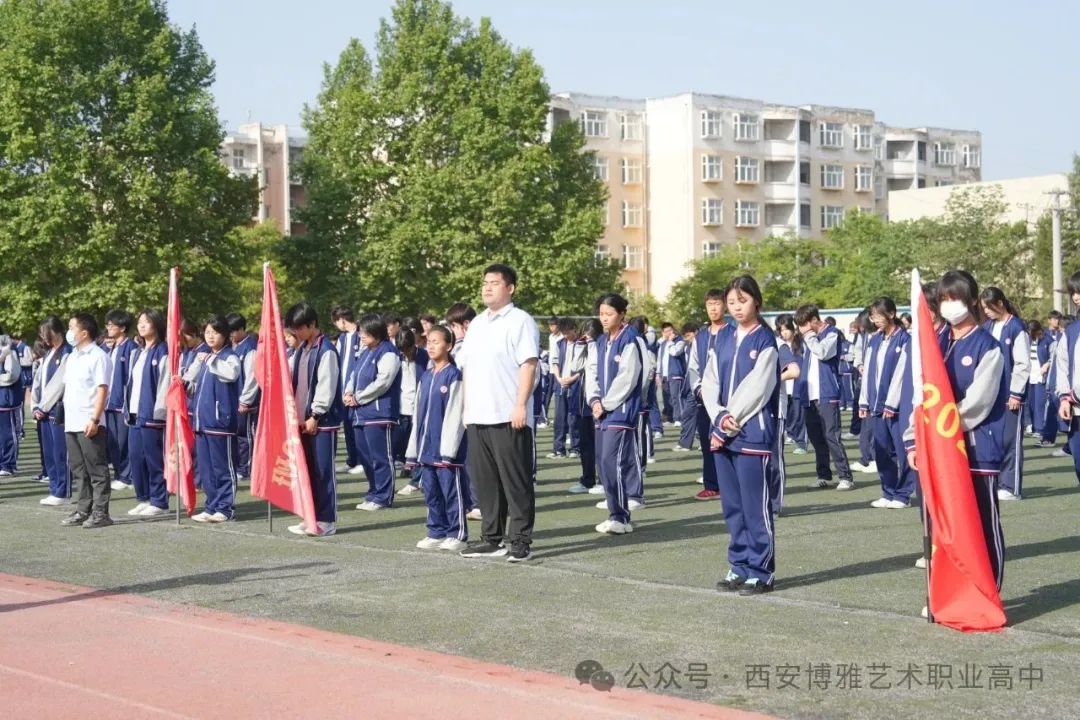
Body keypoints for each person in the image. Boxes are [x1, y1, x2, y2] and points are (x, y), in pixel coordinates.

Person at [907, 269, 1005, 592]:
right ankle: (952, 595)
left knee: (982, 526)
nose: (949, 305)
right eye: (944, 299)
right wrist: (915, 437)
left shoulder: (987, 346)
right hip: (941, 451)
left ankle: (988, 593)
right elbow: (924, 394)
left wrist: (942, 428)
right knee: (946, 527)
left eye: (955, 298)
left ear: (971, 301)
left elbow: (978, 403)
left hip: (977, 451)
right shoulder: (938, 344)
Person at [457, 264, 539, 562]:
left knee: (515, 482)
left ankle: (519, 540)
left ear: (510, 288)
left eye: (494, 283)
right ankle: (491, 538)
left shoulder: (520, 321)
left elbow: (528, 364)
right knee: (486, 482)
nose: (487, 287)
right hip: (479, 415)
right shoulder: (477, 323)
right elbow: (467, 368)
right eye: (484, 282)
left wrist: (520, 405)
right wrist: (466, 410)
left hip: (508, 415)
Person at [703, 275, 780, 596]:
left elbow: (758, 389)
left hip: (752, 435)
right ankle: (739, 566)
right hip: (722, 435)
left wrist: (726, 423)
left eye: (742, 301)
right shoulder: (722, 338)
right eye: (731, 303)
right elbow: (708, 381)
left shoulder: (765, 341)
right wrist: (717, 415)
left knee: (755, 507)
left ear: (757, 302)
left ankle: (761, 572)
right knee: (732, 507)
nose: (736, 308)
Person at [405, 325, 468, 552]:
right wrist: (414, 448)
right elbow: (417, 415)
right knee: (431, 491)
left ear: (449, 345)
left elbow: (456, 415)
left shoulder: (454, 375)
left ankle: (457, 533)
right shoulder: (426, 376)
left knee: (451, 490)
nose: (431, 346)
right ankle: (436, 530)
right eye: (429, 342)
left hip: (447, 450)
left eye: (437, 341)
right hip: (426, 447)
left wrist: (448, 450)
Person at [586, 294, 643, 535]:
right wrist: (594, 399)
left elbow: (628, 378)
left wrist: (607, 403)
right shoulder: (600, 342)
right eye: (601, 314)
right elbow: (591, 372)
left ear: (621, 314)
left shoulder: (631, 340)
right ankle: (615, 513)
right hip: (601, 412)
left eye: (609, 314)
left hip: (620, 412)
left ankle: (621, 515)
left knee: (612, 461)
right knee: (603, 463)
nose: (604, 318)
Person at [285, 302, 343, 536]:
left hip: (321, 422)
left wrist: (316, 414)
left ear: (311, 325)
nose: (295, 333)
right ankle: (310, 515)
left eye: (299, 328)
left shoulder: (326, 350)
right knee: (307, 471)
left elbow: (326, 387)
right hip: (301, 420)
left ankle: (326, 520)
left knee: (323, 471)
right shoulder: (302, 349)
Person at [58, 313, 114, 529]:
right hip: (72, 422)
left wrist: (95, 418)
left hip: (90, 421)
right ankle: (83, 509)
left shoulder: (98, 356)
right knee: (78, 469)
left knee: (96, 468)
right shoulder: (72, 356)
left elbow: (102, 390)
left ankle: (101, 512)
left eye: (72, 327)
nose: (69, 332)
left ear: (84, 333)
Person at [183, 316, 241, 523]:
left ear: (225, 335)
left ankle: (225, 508)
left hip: (220, 424)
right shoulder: (203, 358)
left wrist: (210, 360)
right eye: (207, 332)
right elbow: (193, 385)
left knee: (223, 467)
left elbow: (231, 375)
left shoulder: (229, 357)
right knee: (206, 470)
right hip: (202, 423)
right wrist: (182, 383)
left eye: (214, 332)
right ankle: (211, 505)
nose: (210, 336)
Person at [859, 297, 915, 510]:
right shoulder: (874, 340)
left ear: (891, 314)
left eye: (878, 315)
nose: (875, 320)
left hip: (897, 407)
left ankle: (903, 494)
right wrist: (864, 401)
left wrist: (891, 403)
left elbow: (902, 375)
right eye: (872, 316)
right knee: (881, 450)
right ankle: (888, 491)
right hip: (876, 405)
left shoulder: (905, 340)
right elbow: (867, 374)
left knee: (903, 450)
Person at [345, 313, 402, 511]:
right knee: (366, 457)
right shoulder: (366, 351)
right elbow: (354, 374)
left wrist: (358, 397)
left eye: (365, 333)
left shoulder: (388, 352)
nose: (361, 335)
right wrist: (349, 391)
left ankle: (384, 496)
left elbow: (383, 382)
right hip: (360, 414)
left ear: (376, 333)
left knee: (381, 457)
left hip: (380, 414)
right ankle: (373, 492)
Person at [795, 303, 854, 490]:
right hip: (809, 395)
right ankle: (824, 475)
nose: (802, 329)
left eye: (804, 324)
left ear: (814, 320)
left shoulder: (832, 333)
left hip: (827, 393)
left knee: (832, 436)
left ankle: (845, 476)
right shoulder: (807, 338)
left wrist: (809, 336)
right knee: (816, 437)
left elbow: (822, 352)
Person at [980, 287, 1029, 501]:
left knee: (1011, 441)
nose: (986, 312)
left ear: (1000, 303)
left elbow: (1022, 363)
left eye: (989, 308)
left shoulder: (1016, 327)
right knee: (995, 440)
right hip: (991, 395)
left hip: (1010, 395)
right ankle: (997, 482)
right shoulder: (988, 327)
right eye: (983, 309)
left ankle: (1011, 486)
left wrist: (1016, 393)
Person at [124, 309, 170, 516]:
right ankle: (143, 497)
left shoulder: (163, 351)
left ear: (157, 324)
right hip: (134, 413)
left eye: (147, 322)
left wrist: (159, 411)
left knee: (154, 459)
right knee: (135, 456)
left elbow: (164, 383)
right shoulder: (138, 351)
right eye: (140, 322)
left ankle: (159, 500)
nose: (142, 325)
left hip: (152, 414)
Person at [686, 290, 729, 500]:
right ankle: (712, 484)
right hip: (705, 402)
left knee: (729, 443)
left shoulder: (733, 332)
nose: (713, 308)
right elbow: (693, 367)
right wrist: (699, 390)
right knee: (707, 442)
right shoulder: (701, 336)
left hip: (728, 401)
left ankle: (730, 484)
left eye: (717, 303)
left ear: (725, 306)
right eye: (709, 304)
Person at [33, 316, 73, 505]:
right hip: (43, 411)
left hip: (57, 410)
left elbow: (59, 384)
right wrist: (35, 405)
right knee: (48, 452)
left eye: (45, 333)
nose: (43, 337)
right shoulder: (48, 354)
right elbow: (38, 381)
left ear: (56, 332)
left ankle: (62, 491)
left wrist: (43, 406)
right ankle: (54, 487)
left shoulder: (66, 352)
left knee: (60, 452)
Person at [771, 315, 802, 512]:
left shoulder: (777, 345)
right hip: (750, 411)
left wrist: (773, 381)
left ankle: (775, 502)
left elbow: (794, 370)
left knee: (774, 458)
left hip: (775, 409)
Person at [102, 310, 135, 491]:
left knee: (124, 442)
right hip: (109, 403)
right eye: (107, 324)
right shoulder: (112, 348)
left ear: (122, 327)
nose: (108, 327)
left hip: (122, 404)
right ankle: (119, 474)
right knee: (113, 441)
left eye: (112, 324)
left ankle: (127, 476)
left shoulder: (130, 347)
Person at [394, 325, 428, 497]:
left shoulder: (424, 356)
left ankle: (417, 480)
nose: (405, 353)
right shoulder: (394, 357)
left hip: (419, 407)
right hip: (400, 408)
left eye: (408, 349)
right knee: (401, 445)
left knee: (418, 446)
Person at [568, 318, 601, 495]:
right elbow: (575, 367)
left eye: (589, 335)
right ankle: (587, 479)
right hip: (583, 403)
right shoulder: (584, 347)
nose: (586, 337)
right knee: (585, 445)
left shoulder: (602, 347)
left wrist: (593, 344)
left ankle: (603, 481)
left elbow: (595, 366)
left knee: (601, 446)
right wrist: (581, 346)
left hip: (599, 403)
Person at [331, 305, 365, 476]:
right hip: (342, 388)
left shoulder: (361, 335)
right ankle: (351, 460)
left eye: (337, 321)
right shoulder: (343, 338)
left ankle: (361, 460)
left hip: (356, 389)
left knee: (356, 425)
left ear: (342, 319)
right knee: (347, 425)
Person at [226, 313, 258, 481]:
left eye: (232, 331)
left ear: (240, 330)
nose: (230, 335)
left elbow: (252, 377)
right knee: (236, 436)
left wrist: (245, 400)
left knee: (245, 436)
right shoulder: (234, 346)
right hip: (233, 400)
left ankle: (246, 468)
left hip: (245, 402)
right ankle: (239, 465)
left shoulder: (250, 348)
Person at [549, 317, 583, 459]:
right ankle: (559, 449)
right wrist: (559, 378)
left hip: (576, 385)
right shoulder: (559, 343)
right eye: (563, 333)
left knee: (575, 417)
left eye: (568, 332)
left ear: (574, 329)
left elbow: (584, 366)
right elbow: (555, 363)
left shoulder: (582, 344)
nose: (566, 335)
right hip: (561, 384)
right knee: (559, 418)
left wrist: (572, 379)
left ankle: (575, 448)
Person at [775, 315, 807, 455]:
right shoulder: (778, 345)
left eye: (787, 329)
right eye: (781, 330)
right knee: (788, 414)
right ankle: (791, 435)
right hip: (784, 387)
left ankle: (802, 442)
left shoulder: (801, 345)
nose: (784, 333)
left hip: (798, 385)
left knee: (799, 415)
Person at [0, 327, 22, 476]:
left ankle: (8, 464)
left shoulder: (8, 349)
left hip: (6, 398)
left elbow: (11, 376)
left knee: (8, 433)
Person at [1026, 320, 1045, 440]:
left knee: (1039, 404)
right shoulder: (1027, 339)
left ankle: (1040, 429)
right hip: (1029, 375)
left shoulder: (1045, 340)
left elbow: (1052, 356)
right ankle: (1030, 425)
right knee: (1030, 403)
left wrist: (1047, 364)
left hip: (1040, 375)